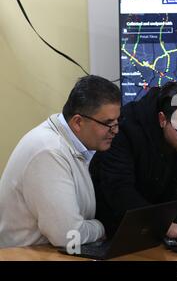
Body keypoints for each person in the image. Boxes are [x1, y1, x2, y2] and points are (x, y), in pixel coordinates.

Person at [89, 81, 177, 242]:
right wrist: (163, 226)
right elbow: (118, 188)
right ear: (162, 119)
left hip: (164, 206)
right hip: (118, 216)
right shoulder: (125, 126)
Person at [0, 75, 121, 248]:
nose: (115, 131)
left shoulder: (75, 144)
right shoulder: (49, 151)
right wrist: (103, 226)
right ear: (78, 122)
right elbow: (68, 236)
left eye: (117, 122)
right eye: (108, 123)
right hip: (26, 256)